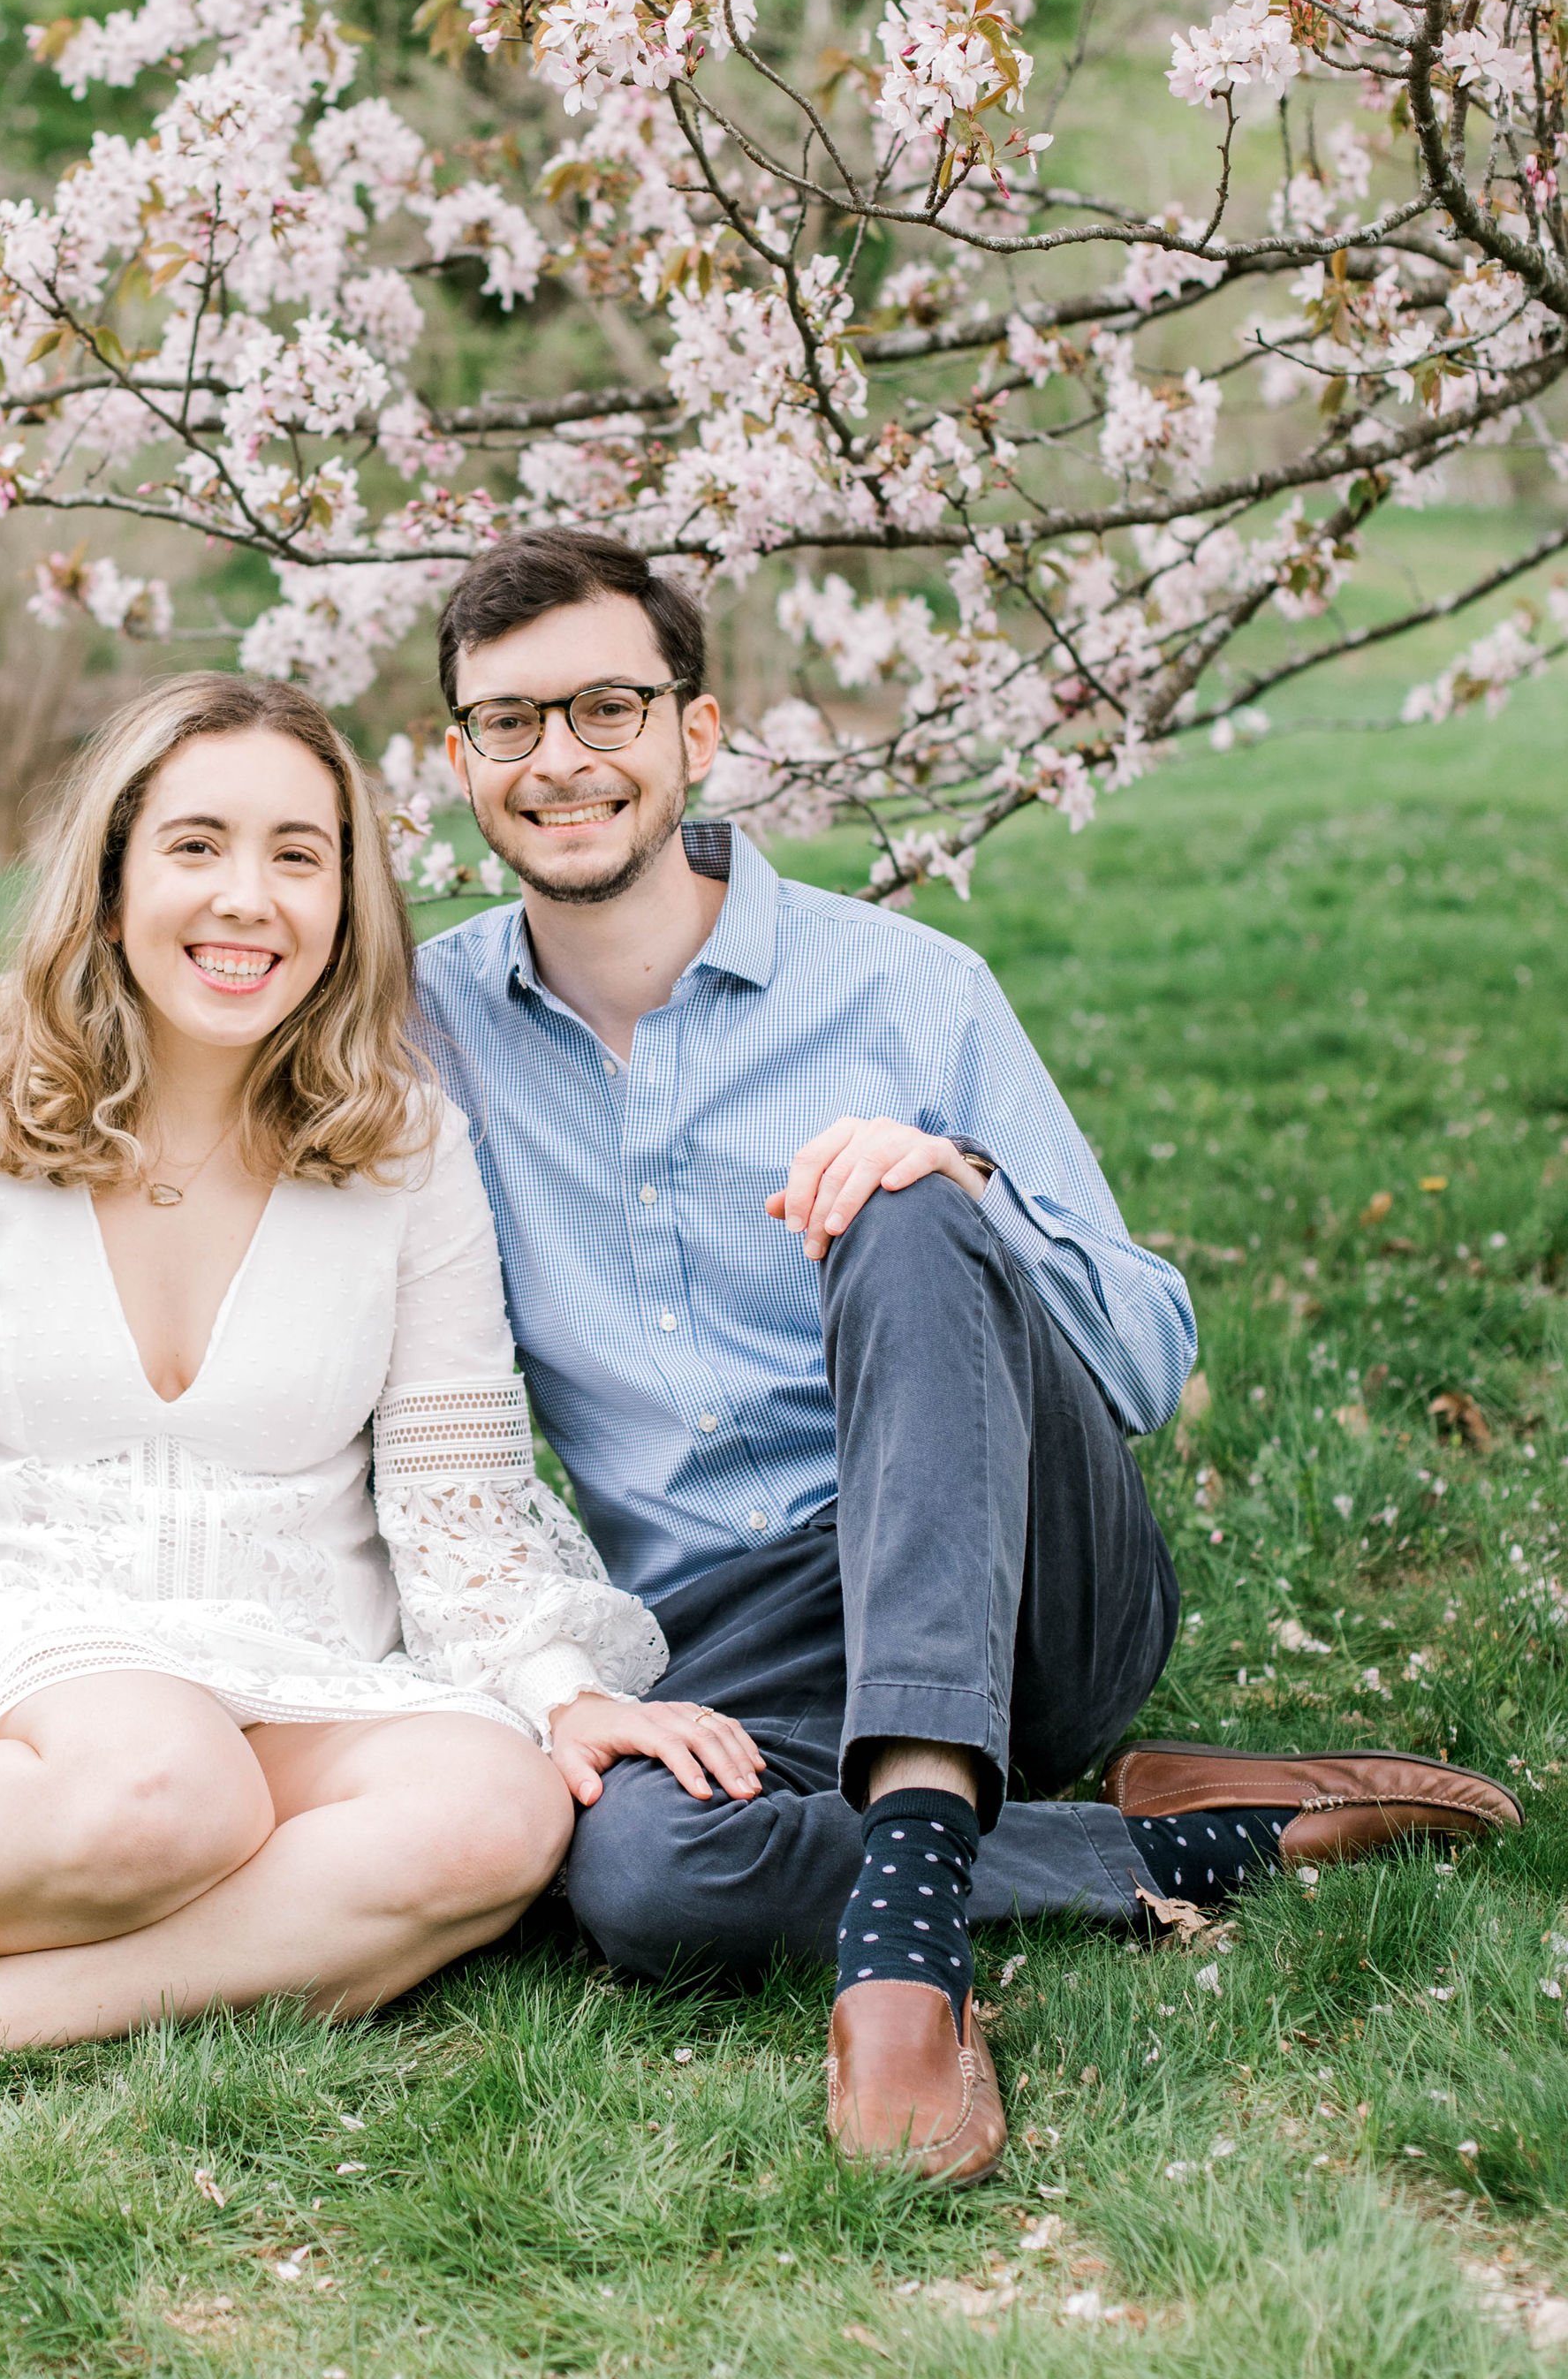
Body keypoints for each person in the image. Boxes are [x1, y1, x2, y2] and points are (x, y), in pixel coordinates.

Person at [414, 530, 1519, 2186]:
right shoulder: (427, 1031)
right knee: (640, 1881)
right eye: (511, 722)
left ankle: (910, 1944)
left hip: (1024, 1586)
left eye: (607, 708)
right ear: (458, 762)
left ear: (696, 736)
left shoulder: (908, 990)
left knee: (909, 1204)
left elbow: (1144, 1358)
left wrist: (974, 1193)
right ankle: (1162, 1839)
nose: (561, 758)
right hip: (735, 1639)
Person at [0, 672, 756, 2113]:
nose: (250, 899)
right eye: (197, 846)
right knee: (172, 1792)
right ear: (109, 888)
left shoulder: (407, 1141)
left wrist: (555, 1692)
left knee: (500, 1810)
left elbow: (448, 1481)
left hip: (299, 1652)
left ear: (347, 904)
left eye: (300, 856)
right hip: (43, 1653)